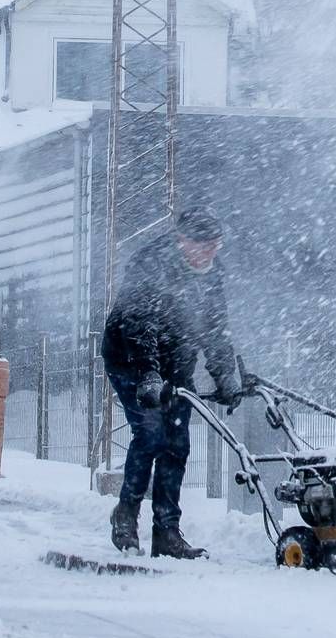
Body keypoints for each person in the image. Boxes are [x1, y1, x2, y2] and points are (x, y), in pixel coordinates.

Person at [101, 207, 242, 558]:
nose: (209, 253)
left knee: (177, 443)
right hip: (130, 358)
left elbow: (214, 326)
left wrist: (224, 373)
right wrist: (148, 373)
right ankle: (126, 516)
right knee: (151, 434)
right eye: (202, 246)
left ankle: (166, 531)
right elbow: (139, 322)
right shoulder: (152, 264)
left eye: (214, 246)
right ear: (182, 242)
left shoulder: (211, 275)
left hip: (177, 362)